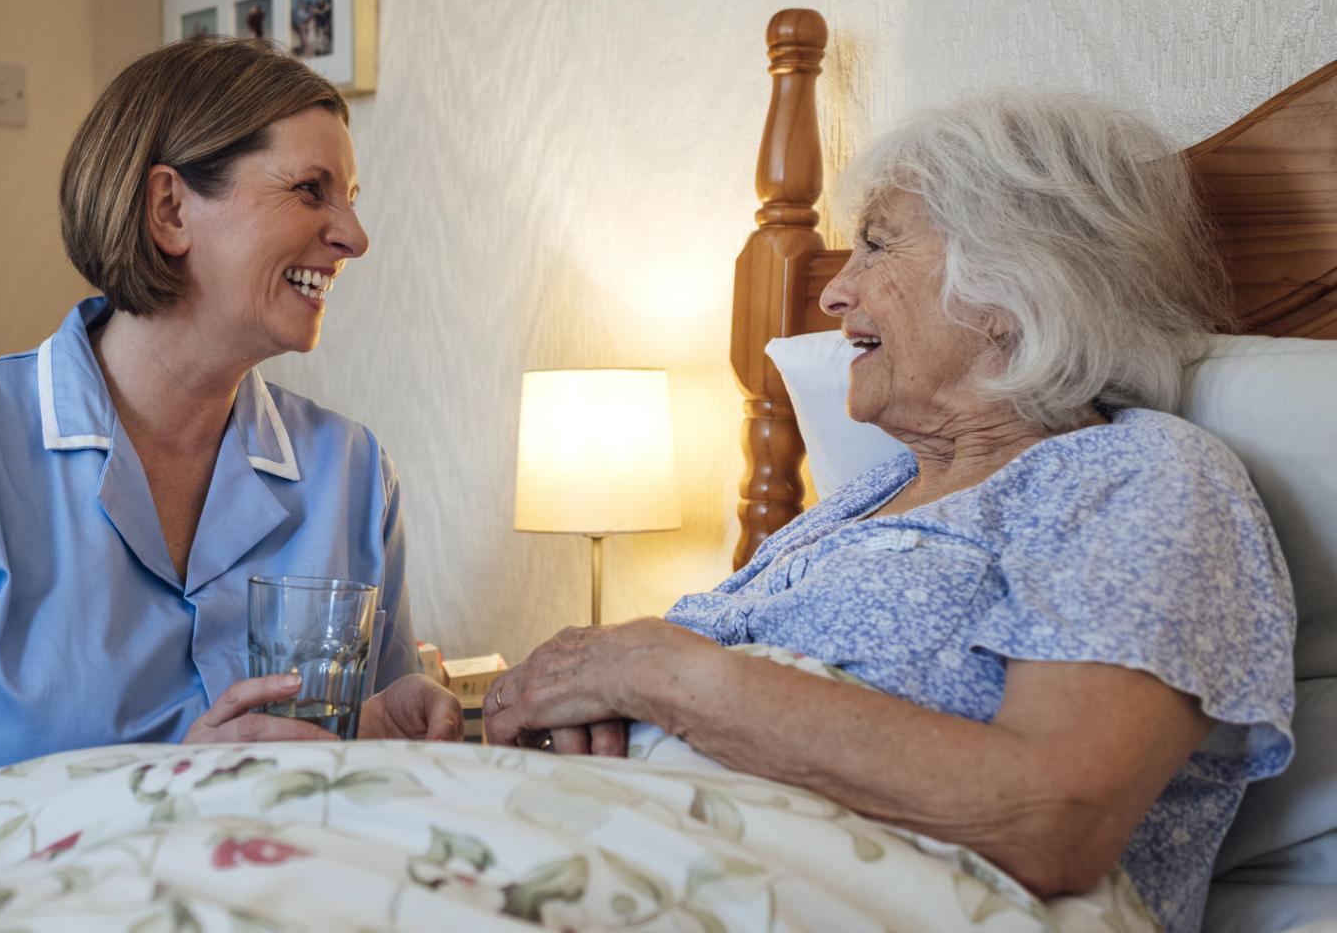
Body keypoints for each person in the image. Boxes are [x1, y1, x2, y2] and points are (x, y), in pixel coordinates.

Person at [483, 92, 1295, 933]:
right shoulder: (864, 499)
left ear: (1014, 283)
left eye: (875, 244)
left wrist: (660, 672)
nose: (835, 294)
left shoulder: (1139, 476)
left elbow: (1052, 817)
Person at [0, 36, 461, 838]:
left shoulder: (356, 479)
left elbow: (367, 818)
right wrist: (162, 799)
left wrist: (394, 740)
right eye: (310, 191)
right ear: (170, 210)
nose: (354, 236)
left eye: (352, 196)